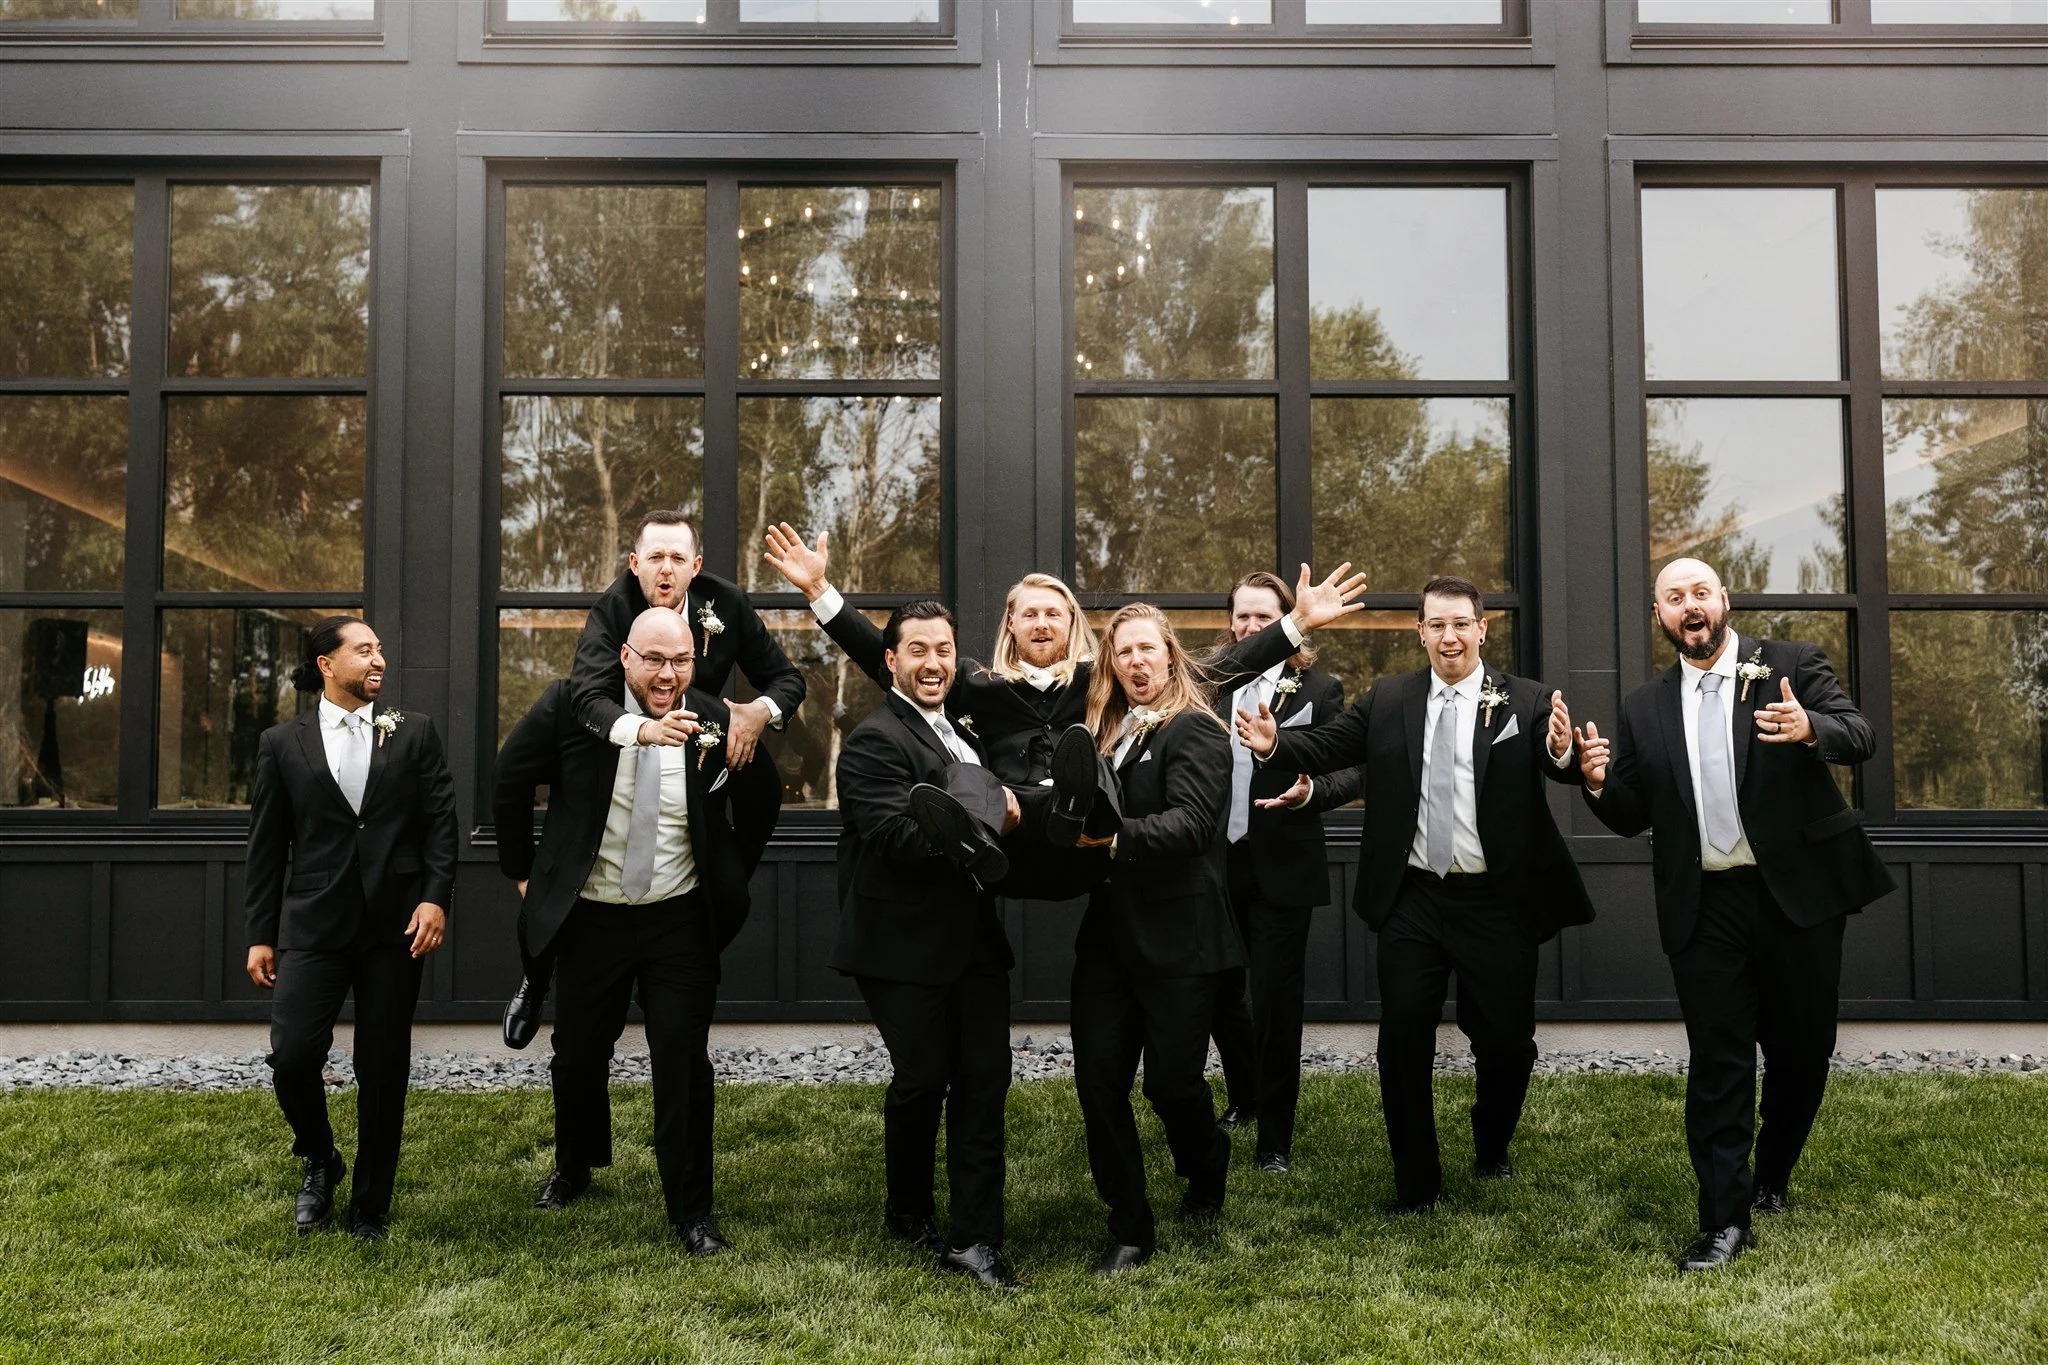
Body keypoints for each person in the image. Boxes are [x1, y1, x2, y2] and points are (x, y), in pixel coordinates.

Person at [761, 522, 1371, 896]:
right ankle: (970, 839)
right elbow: (885, 658)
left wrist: (1294, 625)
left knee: (1091, 767)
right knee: (969, 779)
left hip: (1082, 839)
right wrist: (820, 592)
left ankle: (1075, 798)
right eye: (1031, 612)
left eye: (1055, 611)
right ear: (1012, 623)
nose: (1043, 620)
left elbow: (1204, 673)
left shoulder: (1099, 681)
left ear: (1073, 623)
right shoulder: (976, 684)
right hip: (1011, 839)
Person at [1237, 574, 1593, 1215]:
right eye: (1437, 624)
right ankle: (1416, 1185)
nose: (1450, 636)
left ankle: (1491, 1145)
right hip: (1413, 899)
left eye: (1462, 623)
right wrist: (1276, 744)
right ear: (1420, 631)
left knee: (1508, 1044)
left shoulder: (1526, 699)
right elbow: (1328, 745)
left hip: (1496, 901)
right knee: (1402, 1042)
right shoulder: (1389, 698)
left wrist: (1563, 749)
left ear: (1483, 629)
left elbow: (1554, 756)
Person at [1575, 557, 1894, 1273]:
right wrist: (1596, 780)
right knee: (1718, 1061)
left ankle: (1772, 1175)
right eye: (1673, 597)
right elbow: (1631, 811)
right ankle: (1725, 1219)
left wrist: (1811, 724)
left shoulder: (1790, 661)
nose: (1689, 606)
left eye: (1699, 592)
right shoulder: (1642, 706)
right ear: (1659, 614)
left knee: (1801, 1052)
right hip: (1705, 901)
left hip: (1797, 896)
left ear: (1723, 600)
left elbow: (1859, 733)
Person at [493, 608, 752, 1255]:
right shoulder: (574, 705)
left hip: (679, 919)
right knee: (579, 1054)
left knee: (684, 1062)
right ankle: (576, 1165)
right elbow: (509, 776)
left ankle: (691, 1211)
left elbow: (760, 792)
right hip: (593, 916)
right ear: (626, 657)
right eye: (655, 659)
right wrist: (523, 872)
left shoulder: (712, 717)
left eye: (682, 660)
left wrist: (729, 869)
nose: (669, 674)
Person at [501, 509, 805, 1049]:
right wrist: (642, 730)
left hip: (694, 755)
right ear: (635, 564)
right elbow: (587, 698)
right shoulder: (613, 610)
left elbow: (786, 677)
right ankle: (539, 972)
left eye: (678, 559)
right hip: (615, 751)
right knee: (566, 891)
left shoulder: (726, 604)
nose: (666, 570)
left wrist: (756, 712)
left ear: (696, 566)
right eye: (655, 558)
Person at [243, 617, 457, 1239]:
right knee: (292, 1056)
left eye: (380, 649)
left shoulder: (414, 734)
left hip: (395, 927)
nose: (378, 659)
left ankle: (371, 1203)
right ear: (325, 665)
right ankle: (320, 1157)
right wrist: (261, 932)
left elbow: (441, 825)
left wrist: (435, 898)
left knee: (383, 1067)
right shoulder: (282, 744)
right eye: (363, 650)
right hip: (313, 923)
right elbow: (266, 846)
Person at [832, 600, 1022, 1290]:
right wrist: (993, 813)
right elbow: (896, 836)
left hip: (974, 940)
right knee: (923, 1080)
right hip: (901, 941)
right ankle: (907, 1208)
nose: (933, 662)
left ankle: (977, 1239)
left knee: (983, 1083)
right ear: (890, 660)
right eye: (917, 650)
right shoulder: (873, 742)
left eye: (943, 649)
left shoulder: (965, 730)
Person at [1071, 604, 1241, 1277]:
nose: (1137, 663)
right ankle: (1130, 1227)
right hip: (1107, 945)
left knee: (1172, 1087)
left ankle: (1207, 1163)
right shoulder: (1105, 734)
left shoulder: (1195, 729)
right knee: (1099, 1086)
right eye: (1124, 653)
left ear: (1171, 656)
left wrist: (1113, 838)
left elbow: (1194, 824)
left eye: (1148, 649)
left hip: (1180, 941)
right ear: (1111, 664)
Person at [1205, 571, 1362, 1172]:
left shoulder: (1318, 688)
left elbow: (1351, 771)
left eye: (1262, 617)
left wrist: (1312, 793)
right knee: (1222, 994)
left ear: (1285, 619)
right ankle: (1244, 1097)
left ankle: (1275, 1137)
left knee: (1274, 1002)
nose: (1250, 628)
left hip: (1283, 865)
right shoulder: (1209, 687)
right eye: (1240, 617)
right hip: (1215, 863)